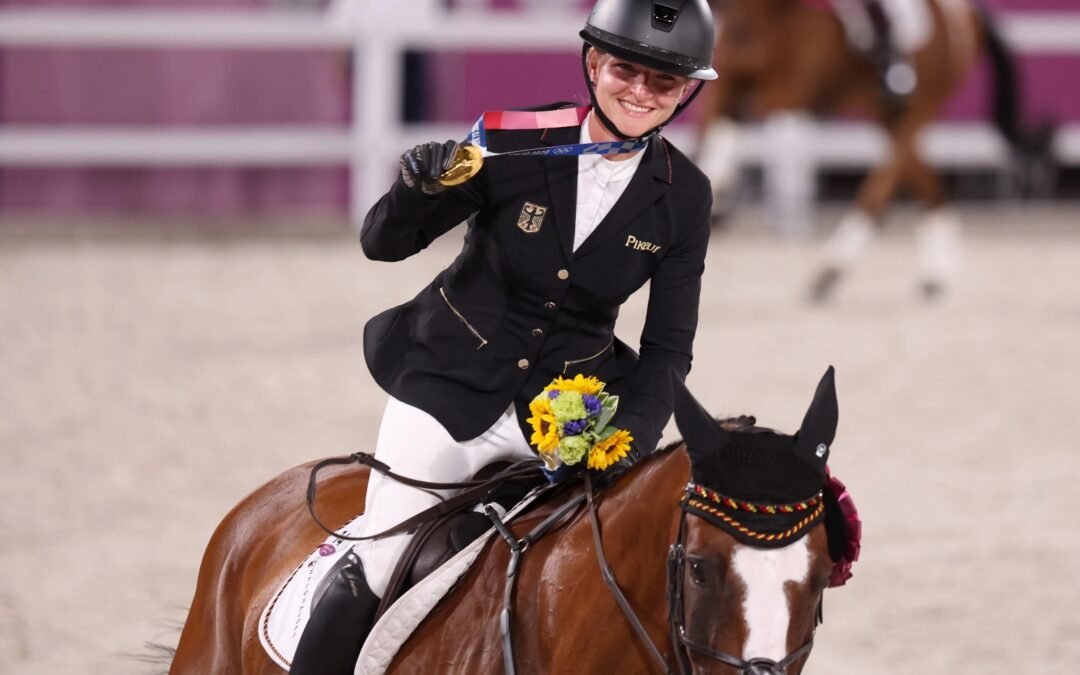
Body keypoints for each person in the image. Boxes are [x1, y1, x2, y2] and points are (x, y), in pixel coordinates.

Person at [290, 1, 717, 673]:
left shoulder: (685, 195)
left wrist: (628, 436)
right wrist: (415, 188)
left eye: (663, 82)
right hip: (447, 387)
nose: (640, 92)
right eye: (625, 70)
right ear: (593, 63)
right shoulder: (517, 138)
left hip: (566, 414)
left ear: (686, 91)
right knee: (379, 555)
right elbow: (383, 243)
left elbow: (668, 347)